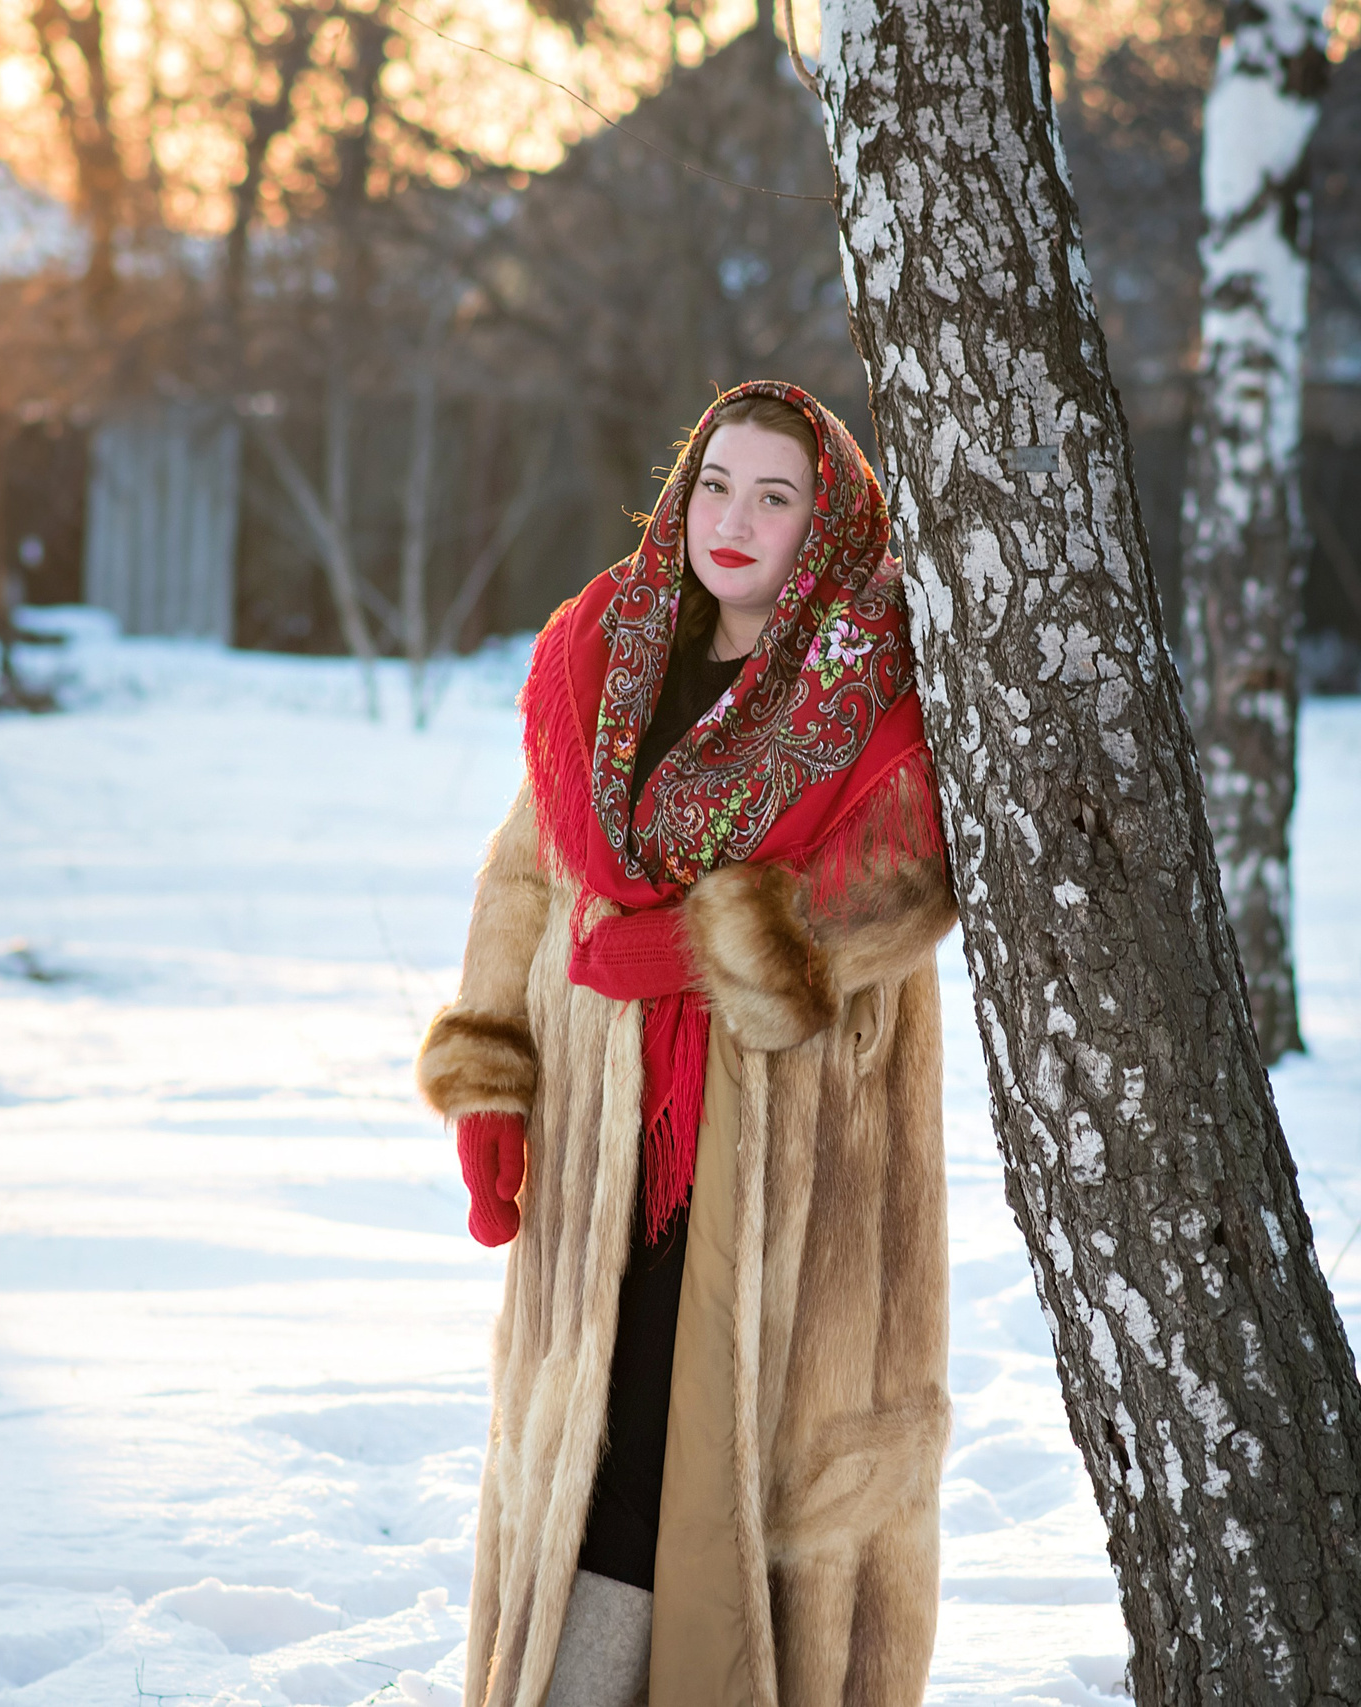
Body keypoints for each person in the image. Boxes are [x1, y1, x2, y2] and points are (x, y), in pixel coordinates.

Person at [416, 381, 957, 1707]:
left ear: (820, 524)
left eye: (777, 497)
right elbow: (530, 863)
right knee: (591, 1449)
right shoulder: (614, 649)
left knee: (718, 1470)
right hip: (602, 1146)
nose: (736, 518)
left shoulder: (877, 685)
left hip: (785, 1162)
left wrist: (709, 948)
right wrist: (493, 1066)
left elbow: (908, 882)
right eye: (717, 483)